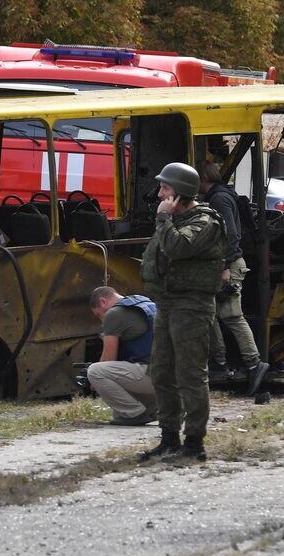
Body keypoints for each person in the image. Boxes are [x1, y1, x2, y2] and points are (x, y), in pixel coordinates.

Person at [138, 162, 226, 463]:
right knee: (162, 372)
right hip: (167, 302)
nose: (160, 193)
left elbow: (178, 248)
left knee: (190, 374)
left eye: (165, 188)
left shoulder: (205, 222)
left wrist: (163, 220)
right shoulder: (173, 221)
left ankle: (194, 443)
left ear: (181, 193)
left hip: (192, 306)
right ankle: (169, 437)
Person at [199, 162, 271, 404]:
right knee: (214, 313)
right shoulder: (223, 196)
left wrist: (224, 266)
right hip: (227, 263)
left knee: (230, 315)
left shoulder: (218, 199)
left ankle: (253, 363)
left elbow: (228, 234)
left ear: (202, 179)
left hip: (228, 265)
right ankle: (222, 362)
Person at [87, 286, 158, 425]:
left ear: (102, 301)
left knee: (95, 372)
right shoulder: (145, 303)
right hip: (175, 376)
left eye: (98, 315)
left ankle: (134, 414)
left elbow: (108, 358)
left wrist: (92, 383)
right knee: (119, 415)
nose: (101, 320)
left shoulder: (114, 314)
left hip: (155, 375)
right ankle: (154, 410)